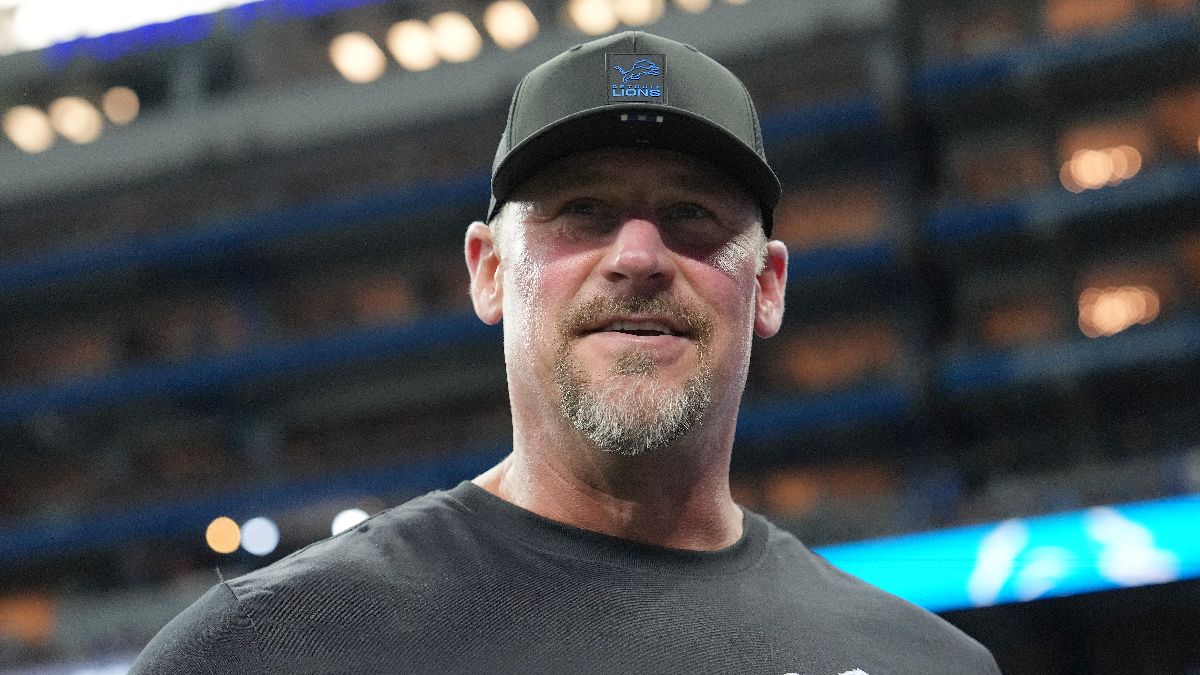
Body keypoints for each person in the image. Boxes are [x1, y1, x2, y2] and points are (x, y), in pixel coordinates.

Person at [131, 31, 1000, 674]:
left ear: (767, 285)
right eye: (582, 211)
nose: (639, 256)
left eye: (692, 214)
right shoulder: (270, 649)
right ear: (489, 272)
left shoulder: (925, 664)